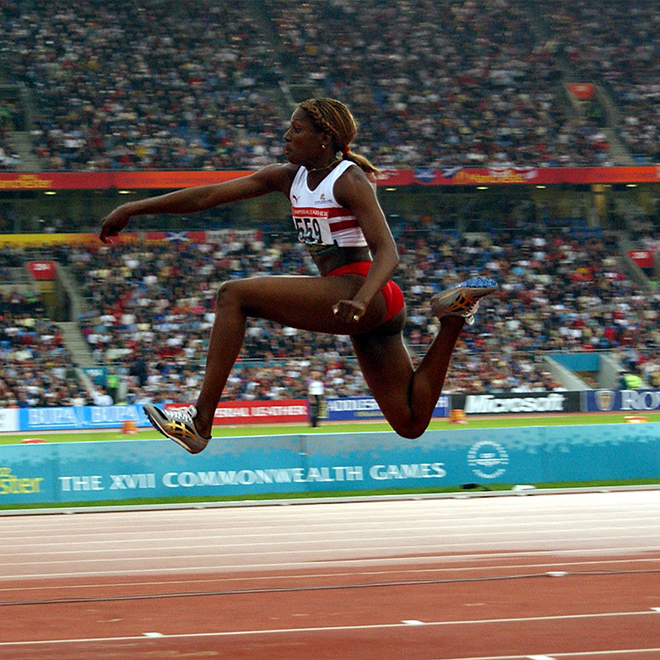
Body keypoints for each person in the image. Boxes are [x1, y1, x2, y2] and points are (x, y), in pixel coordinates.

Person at [100, 98, 497, 453]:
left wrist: (361, 299)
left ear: (324, 137)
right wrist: (134, 209)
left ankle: (201, 420)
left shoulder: (349, 179)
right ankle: (451, 318)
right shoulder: (287, 177)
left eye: (297, 128)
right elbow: (206, 196)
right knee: (410, 422)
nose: (287, 135)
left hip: (363, 291)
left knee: (233, 295)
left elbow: (388, 253)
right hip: (367, 305)